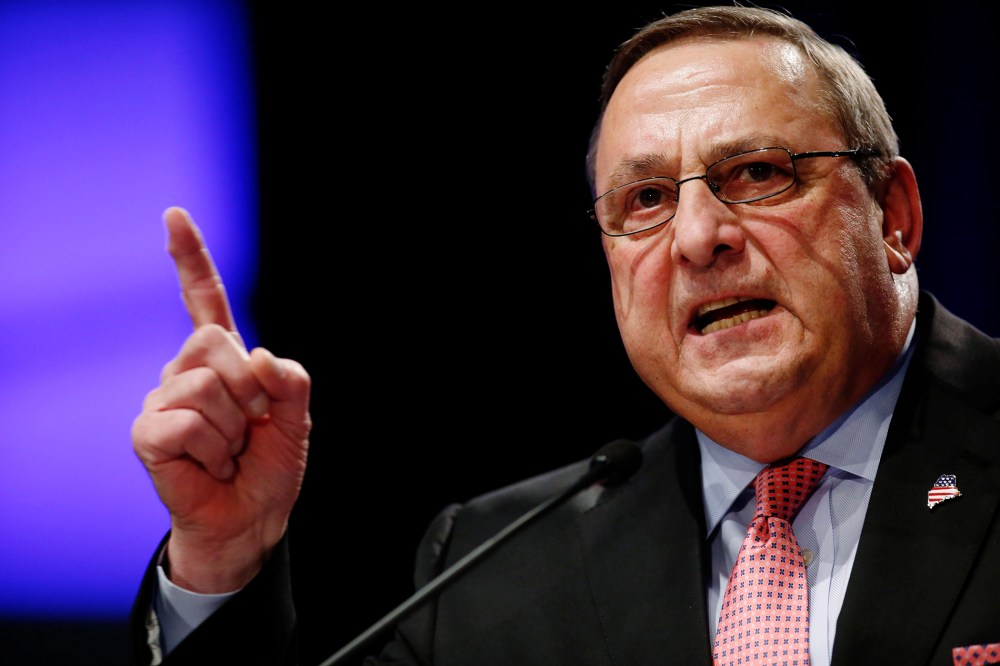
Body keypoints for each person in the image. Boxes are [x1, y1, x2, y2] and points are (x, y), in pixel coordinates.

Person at [129, 5, 1000, 665]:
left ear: (892, 217)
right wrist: (223, 558)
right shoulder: (491, 570)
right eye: (646, 200)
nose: (699, 237)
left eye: (757, 173)